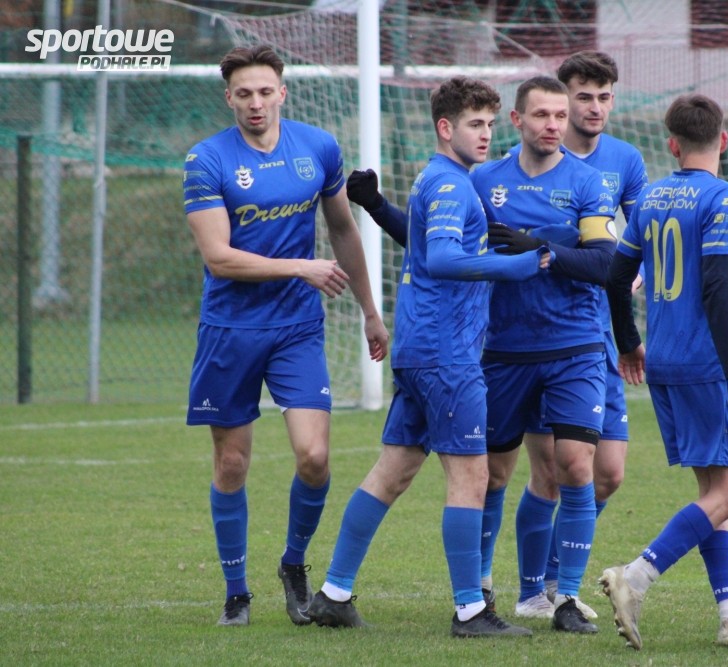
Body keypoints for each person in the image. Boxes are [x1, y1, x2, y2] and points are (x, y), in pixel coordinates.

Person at [306, 76, 548, 638]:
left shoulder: (438, 179)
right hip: (447, 355)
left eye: (490, 124)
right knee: (472, 475)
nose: (486, 135)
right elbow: (439, 258)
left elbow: (426, 249)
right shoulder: (451, 185)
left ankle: (333, 594)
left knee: (392, 471)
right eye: (474, 124)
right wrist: (513, 266)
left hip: (422, 350)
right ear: (445, 127)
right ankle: (470, 612)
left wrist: (377, 206)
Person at [182, 44, 389, 627]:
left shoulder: (318, 147)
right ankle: (236, 593)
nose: (256, 103)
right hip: (230, 330)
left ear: (283, 92)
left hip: (297, 327)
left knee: (315, 457)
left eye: (265, 91)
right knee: (232, 464)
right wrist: (301, 267)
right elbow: (219, 258)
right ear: (229, 98)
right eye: (244, 93)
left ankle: (294, 564)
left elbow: (343, 229)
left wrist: (371, 312)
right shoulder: (206, 160)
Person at [597, 93, 728, 652]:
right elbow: (719, 289)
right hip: (705, 364)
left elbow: (615, 277)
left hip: (665, 361)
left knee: (713, 491)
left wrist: (629, 343)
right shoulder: (722, 196)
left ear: (672, 145)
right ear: (723, 140)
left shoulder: (650, 196)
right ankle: (636, 576)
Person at [473, 75, 617, 635]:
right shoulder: (483, 180)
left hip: (574, 345)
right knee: (491, 475)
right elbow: (442, 246)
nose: (554, 125)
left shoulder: (586, 182)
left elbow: (604, 263)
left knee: (576, 465)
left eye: (560, 115)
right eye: (541, 115)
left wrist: (542, 248)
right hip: (503, 350)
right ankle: (480, 589)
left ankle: (567, 598)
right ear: (517, 120)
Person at [507, 50, 647, 622]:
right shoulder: (518, 168)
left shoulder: (624, 161)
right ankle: (537, 591)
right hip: (543, 338)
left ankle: (554, 578)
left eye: (603, 97)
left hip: (601, 339)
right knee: (553, 472)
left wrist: (635, 275)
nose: (593, 108)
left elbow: (639, 238)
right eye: (581, 97)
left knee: (607, 473)